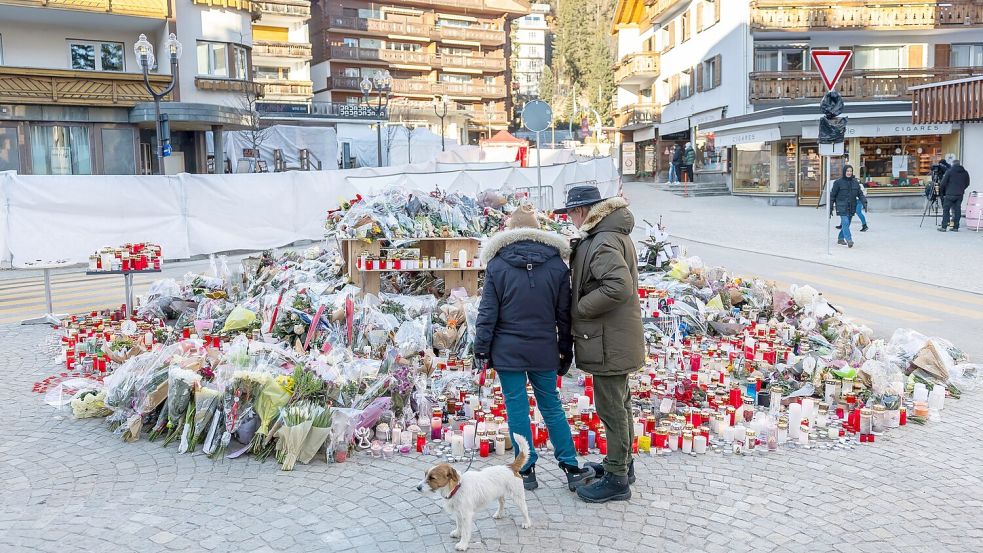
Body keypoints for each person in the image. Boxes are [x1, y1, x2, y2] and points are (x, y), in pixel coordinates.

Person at [474, 203, 593, 492]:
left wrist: (481, 349)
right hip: (543, 348)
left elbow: (487, 312)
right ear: (538, 232)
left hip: (507, 349)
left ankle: (526, 470)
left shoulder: (498, 263)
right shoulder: (556, 264)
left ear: (511, 231)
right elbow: (564, 314)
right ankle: (570, 466)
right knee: (551, 405)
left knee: (516, 407)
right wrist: (566, 350)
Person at [553, 186, 645, 503]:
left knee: (612, 409)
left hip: (609, 339)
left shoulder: (604, 239)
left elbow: (619, 286)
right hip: (612, 337)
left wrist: (580, 308)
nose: (569, 218)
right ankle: (620, 465)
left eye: (570, 213)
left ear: (584, 211)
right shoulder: (607, 234)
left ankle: (618, 479)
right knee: (619, 404)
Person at [829, 164, 866, 248]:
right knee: (845, 222)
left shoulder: (855, 182)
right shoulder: (838, 182)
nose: (849, 173)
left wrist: (864, 202)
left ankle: (840, 238)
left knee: (847, 223)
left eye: (850, 171)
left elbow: (860, 194)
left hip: (852, 206)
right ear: (844, 171)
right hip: (841, 206)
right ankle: (849, 240)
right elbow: (832, 195)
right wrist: (830, 207)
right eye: (847, 171)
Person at [939, 159, 970, 232]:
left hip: (950, 194)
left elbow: (943, 183)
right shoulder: (965, 172)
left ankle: (944, 226)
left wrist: (944, 191)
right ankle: (956, 227)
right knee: (957, 210)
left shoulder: (949, 171)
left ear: (953, 164)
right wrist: (961, 189)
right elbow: (967, 183)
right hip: (960, 194)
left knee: (946, 209)